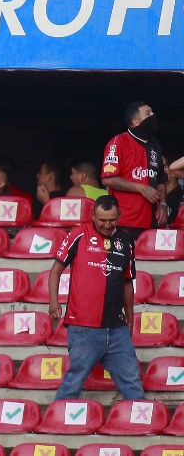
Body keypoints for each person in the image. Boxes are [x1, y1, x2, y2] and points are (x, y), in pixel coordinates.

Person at [49, 195, 145, 401]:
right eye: (102, 220)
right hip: (84, 327)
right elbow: (56, 270)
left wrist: (130, 316)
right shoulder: (78, 234)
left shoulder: (127, 241)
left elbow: (128, 281)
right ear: (93, 215)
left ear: (119, 217)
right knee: (75, 379)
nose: (107, 225)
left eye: (112, 220)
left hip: (116, 327)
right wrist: (54, 302)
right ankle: (57, 425)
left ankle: (139, 425)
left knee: (132, 380)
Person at [101, 100, 167, 242]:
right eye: (148, 113)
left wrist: (163, 205)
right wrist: (141, 188)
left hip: (151, 222)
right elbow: (107, 178)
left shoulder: (155, 144)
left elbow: (161, 180)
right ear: (135, 121)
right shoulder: (118, 142)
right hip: (124, 222)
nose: (153, 115)